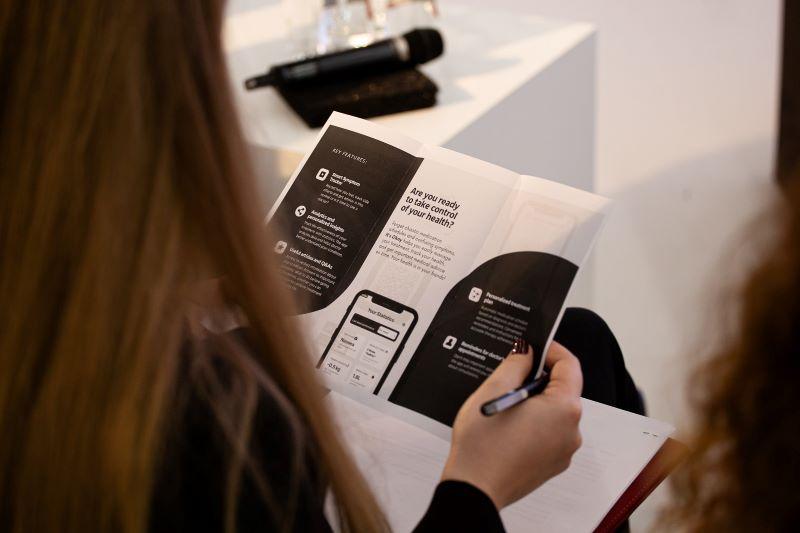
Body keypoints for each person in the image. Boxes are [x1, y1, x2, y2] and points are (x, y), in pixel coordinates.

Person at [0, 1, 617, 532]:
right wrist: (476, 490)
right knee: (571, 366)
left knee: (580, 335)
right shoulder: (220, 431)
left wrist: (164, 304)